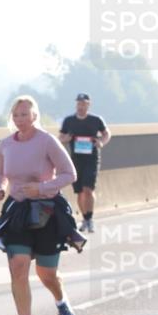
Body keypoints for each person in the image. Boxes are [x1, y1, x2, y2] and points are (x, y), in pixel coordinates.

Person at [0, 96, 77, 315]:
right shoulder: (5, 144)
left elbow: (69, 174)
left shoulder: (47, 141)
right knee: (18, 267)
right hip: (17, 212)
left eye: (25, 114)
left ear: (34, 116)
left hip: (46, 212)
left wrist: (42, 188)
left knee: (46, 273)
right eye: (16, 115)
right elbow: (0, 172)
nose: (20, 119)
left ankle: (61, 301)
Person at [59, 93, 110, 233]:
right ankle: (85, 218)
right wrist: (66, 139)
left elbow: (107, 133)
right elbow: (61, 137)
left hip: (91, 158)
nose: (81, 106)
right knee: (80, 191)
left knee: (88, 189)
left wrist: (101, 142)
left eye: (84, 104)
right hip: (76, 159)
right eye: (79, 103)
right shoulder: (69, 120)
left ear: (88, 105)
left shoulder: (96, 120)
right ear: (76, 104)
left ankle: (90, 218)